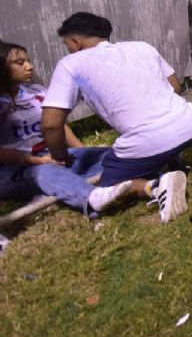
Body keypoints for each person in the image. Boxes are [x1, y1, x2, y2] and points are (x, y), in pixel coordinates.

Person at [40, 12, 192, 223]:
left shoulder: (71, 63)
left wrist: (60, 157)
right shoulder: (142, 47)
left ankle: (156, 186)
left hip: (151, 141)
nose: (68, 48)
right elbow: (175, 87)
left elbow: (51, 125)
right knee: (155, 123)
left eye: (67, 44)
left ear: (75, 42)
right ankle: (174, 163)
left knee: (108, 192)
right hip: (191, 124)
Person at [0, 42, 131, 216]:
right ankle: (91, 198)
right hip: (14, 169)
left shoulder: (36, 93)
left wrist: (81, 152)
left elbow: (57, 125)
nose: (30, 67)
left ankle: (57, 189)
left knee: (108, 155)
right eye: (20, 62)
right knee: (43, 173)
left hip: (51, 157)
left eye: (28, 61)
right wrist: (32, 161)